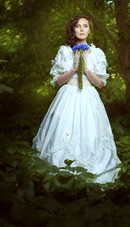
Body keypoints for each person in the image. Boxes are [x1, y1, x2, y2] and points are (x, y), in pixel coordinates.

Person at [32, 14, 121, 184]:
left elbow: (101, 84)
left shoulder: (97, 53)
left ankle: (91, 173)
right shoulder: (64, 51)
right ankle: (60, 176)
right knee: (63, 131)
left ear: (89, 29)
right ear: (73, 29)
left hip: (89, 97)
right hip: (67, 97)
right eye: (78, 26)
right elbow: (58, 82)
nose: (82, 29)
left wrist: (87, 69)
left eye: (85, 26)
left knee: (91, 133)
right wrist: (74, 68)